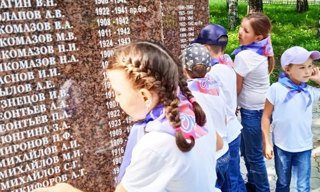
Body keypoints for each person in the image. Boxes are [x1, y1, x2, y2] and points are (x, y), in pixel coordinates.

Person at [33, 40, 217, 192]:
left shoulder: (156, 143)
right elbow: (218, 144)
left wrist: (66, 190)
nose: (115, 99)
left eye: (118, 93)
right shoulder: (191, 109)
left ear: (144, 96)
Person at [192, 24, 245, 192]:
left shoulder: (212, 74)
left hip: (225, 135)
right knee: (235, 177)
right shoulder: (227, 63)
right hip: (233, 129)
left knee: (230, 182)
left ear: (207, 47)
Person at [262, 46, 320, 192]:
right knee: (282, 183)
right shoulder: (276, 89)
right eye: (302, 67)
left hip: (304, 147)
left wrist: (318, 79)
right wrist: (267, 143)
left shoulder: (310, 92)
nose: (307, 71)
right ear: (288, 69)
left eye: (310, 66)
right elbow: (266, 116)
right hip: (282, 146)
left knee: (303, 186)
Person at [232, 12, 274, 192]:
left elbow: (237, 89)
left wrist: (229, 106)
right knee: (250, 154)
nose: (240, 32)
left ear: (258, 37)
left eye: (245, 30)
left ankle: (262, 189)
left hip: (252, 111)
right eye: (241, 27)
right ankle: (254, 185)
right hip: (262, 109)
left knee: (254, 156)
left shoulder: (245, 56)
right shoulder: (262, 49)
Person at [181, 43, 229, 191]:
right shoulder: (215, 86)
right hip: (224, 150)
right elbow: (225, 118)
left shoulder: (188, 93)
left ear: (184, 68)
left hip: (209, 155)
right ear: (209, 67)